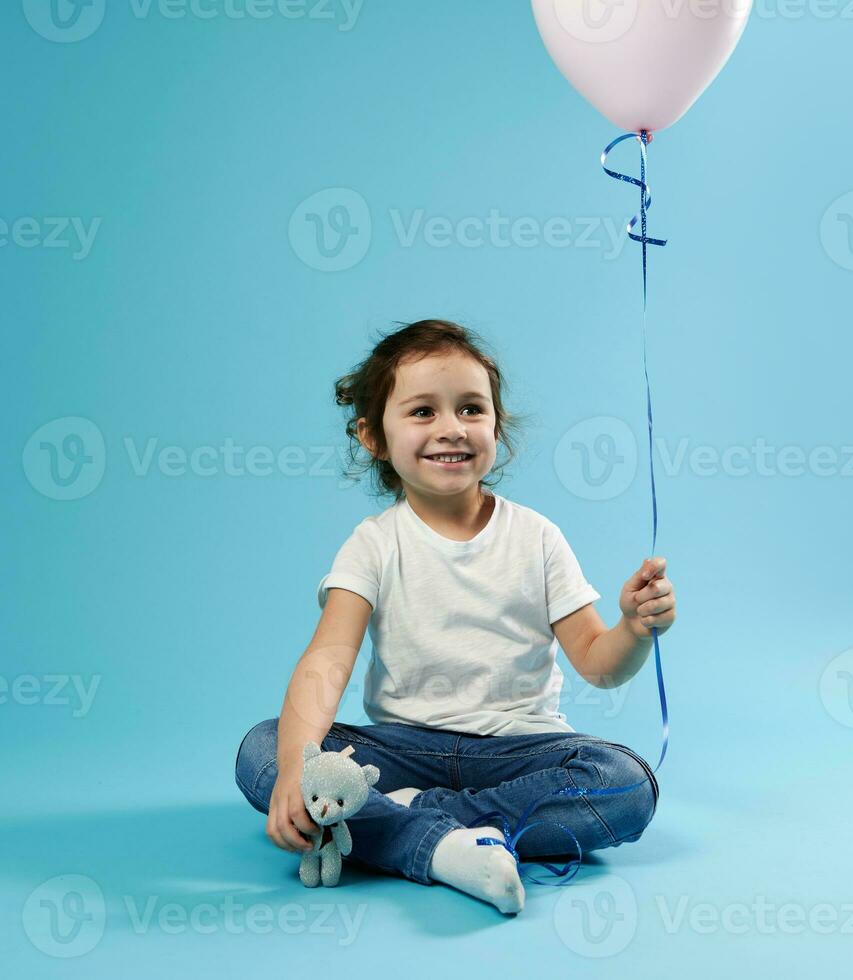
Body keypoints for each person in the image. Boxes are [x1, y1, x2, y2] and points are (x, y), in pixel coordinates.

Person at [234, 319, 676, 915]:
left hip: (520, 752)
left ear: (496, 425)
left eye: (471, 409)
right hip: (400, 750)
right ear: (373, 436)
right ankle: (451, 848)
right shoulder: (373, 543)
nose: (451, 428)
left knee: (625, 783)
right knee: (263, 749)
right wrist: (296, 767)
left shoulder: (538, 536)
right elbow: (328, 659)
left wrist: (632, 628)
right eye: (422, 412)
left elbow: (599, 665)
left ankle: (407, 824)